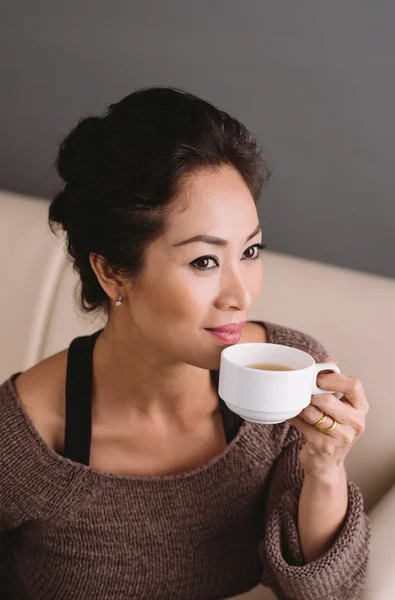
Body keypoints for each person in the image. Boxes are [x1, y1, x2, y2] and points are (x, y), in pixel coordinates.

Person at [0, 86, 370, 600]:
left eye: (251, 250)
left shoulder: (287, 377)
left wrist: (325, 467)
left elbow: (325, 594)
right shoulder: (27, 438)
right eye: (204, 261)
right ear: (111, 273)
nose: (241, 294)